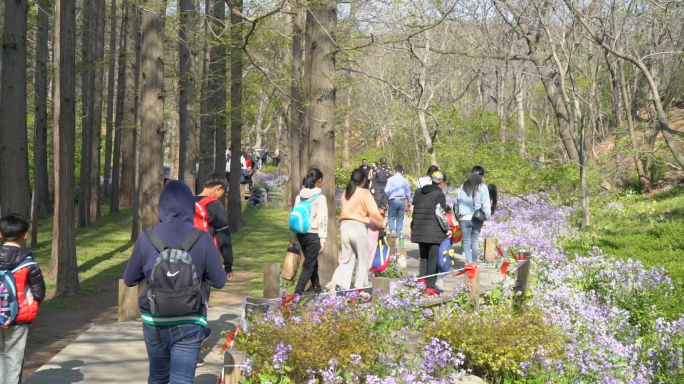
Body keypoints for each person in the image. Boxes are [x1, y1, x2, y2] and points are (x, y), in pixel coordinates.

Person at [124, 181, 227, 384]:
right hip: (191, 319)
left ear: (161, 206)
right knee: (182, 379)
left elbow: (129, 279)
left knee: (158, 376)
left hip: (155, 320)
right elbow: (220, 281)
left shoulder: (147, 238)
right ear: (190, 207)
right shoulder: (203, 239)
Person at [0, 214, 46, 384]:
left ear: (0, 234)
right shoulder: (28, 263)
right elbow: (39, 292)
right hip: (19, 317)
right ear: (26, 234)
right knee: (13, 358)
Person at [327, 169, 384, 292]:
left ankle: (334, 282)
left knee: (345, 259)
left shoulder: (345, 193)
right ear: (364, 180)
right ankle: (359, 289)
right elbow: (374, 214)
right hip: (358, 228)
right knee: (363, 259)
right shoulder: (365, 193)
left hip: (344, 227)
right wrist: (381, 224)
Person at [410, 170, 452, 297]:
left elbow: (414, 211)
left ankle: (422, 282)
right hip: (434, 232)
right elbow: (440, 213)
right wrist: (447, 228)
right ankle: (430, 287)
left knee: (424, 258)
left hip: (420, 229)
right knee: (433, 258)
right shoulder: (439, 194)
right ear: (442, 182)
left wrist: (413, 226)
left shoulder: (419, 192)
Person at [292, 169, 328, 295]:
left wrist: (293, 238)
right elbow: (322, 219)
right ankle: (297, 294)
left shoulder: (299, 196)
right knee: (308, 265)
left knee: (312, 262)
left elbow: (295, 217)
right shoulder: (320, 197)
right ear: (319, 181)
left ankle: (317, 288)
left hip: (301, 234)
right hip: (313, 235)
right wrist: (323, 239)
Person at [456, 166, 492, 263]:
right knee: (475, 241)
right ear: (482, 175)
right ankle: (474, 263)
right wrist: (486, 217)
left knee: (466, 242)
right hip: (477, 218)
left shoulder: (462, 186)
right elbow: (486, 204)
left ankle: (469, 262)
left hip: (464, 217)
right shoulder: (483, 187)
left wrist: (457, 216)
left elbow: (457, 202)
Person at [384, 164, 412, 247]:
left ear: (394, 171)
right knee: (400, 219)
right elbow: (408, 192)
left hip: (393, 200)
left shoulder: (390, 179)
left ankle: (392, 229)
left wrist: (389, 196)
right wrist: (409, 202)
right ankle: (398, 235)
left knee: (391, 217)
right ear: (402, 171)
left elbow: (386, 190)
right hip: (402, 201)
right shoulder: (405, 180)